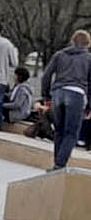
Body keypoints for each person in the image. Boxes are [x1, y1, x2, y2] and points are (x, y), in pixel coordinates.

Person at [39, 29, 91, 170]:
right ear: (88, 44)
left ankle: (57, 164)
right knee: (71, 132)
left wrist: (45, 96)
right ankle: (59, 165)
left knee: (59, 131)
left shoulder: (59, 55)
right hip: (77, 94)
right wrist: (89, 106)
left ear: (72, 42)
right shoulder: (88, 58)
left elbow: (46, 76)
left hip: (58, 93)